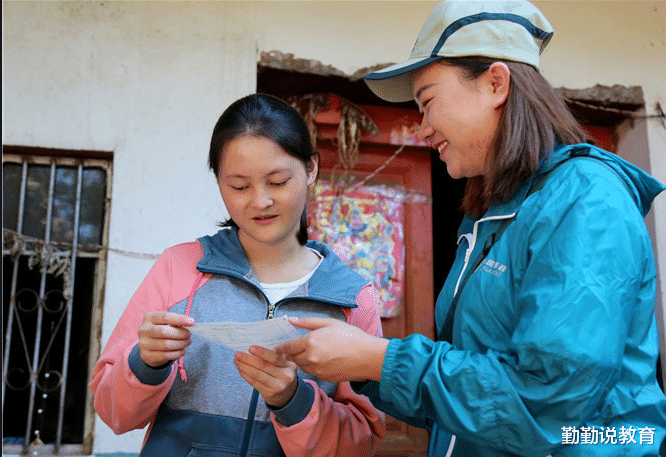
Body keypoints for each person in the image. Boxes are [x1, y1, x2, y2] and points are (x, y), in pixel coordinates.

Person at [275, 1, 666, 456]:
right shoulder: (490, 214)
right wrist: (362, 363)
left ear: (496, 83)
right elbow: (474, 401)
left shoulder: (587, 198)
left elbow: (548, 403)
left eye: (427, 103)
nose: (421, 129)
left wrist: (379, 358)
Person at [89, 93, 385, 457]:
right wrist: (145, 362)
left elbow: (363, 444)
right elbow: (113, 413)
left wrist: (293, 401)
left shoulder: (353, 299)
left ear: (311, 169)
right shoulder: (180, 268)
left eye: (277, 182)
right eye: (239, 186)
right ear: (219, 182)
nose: (260, 201)